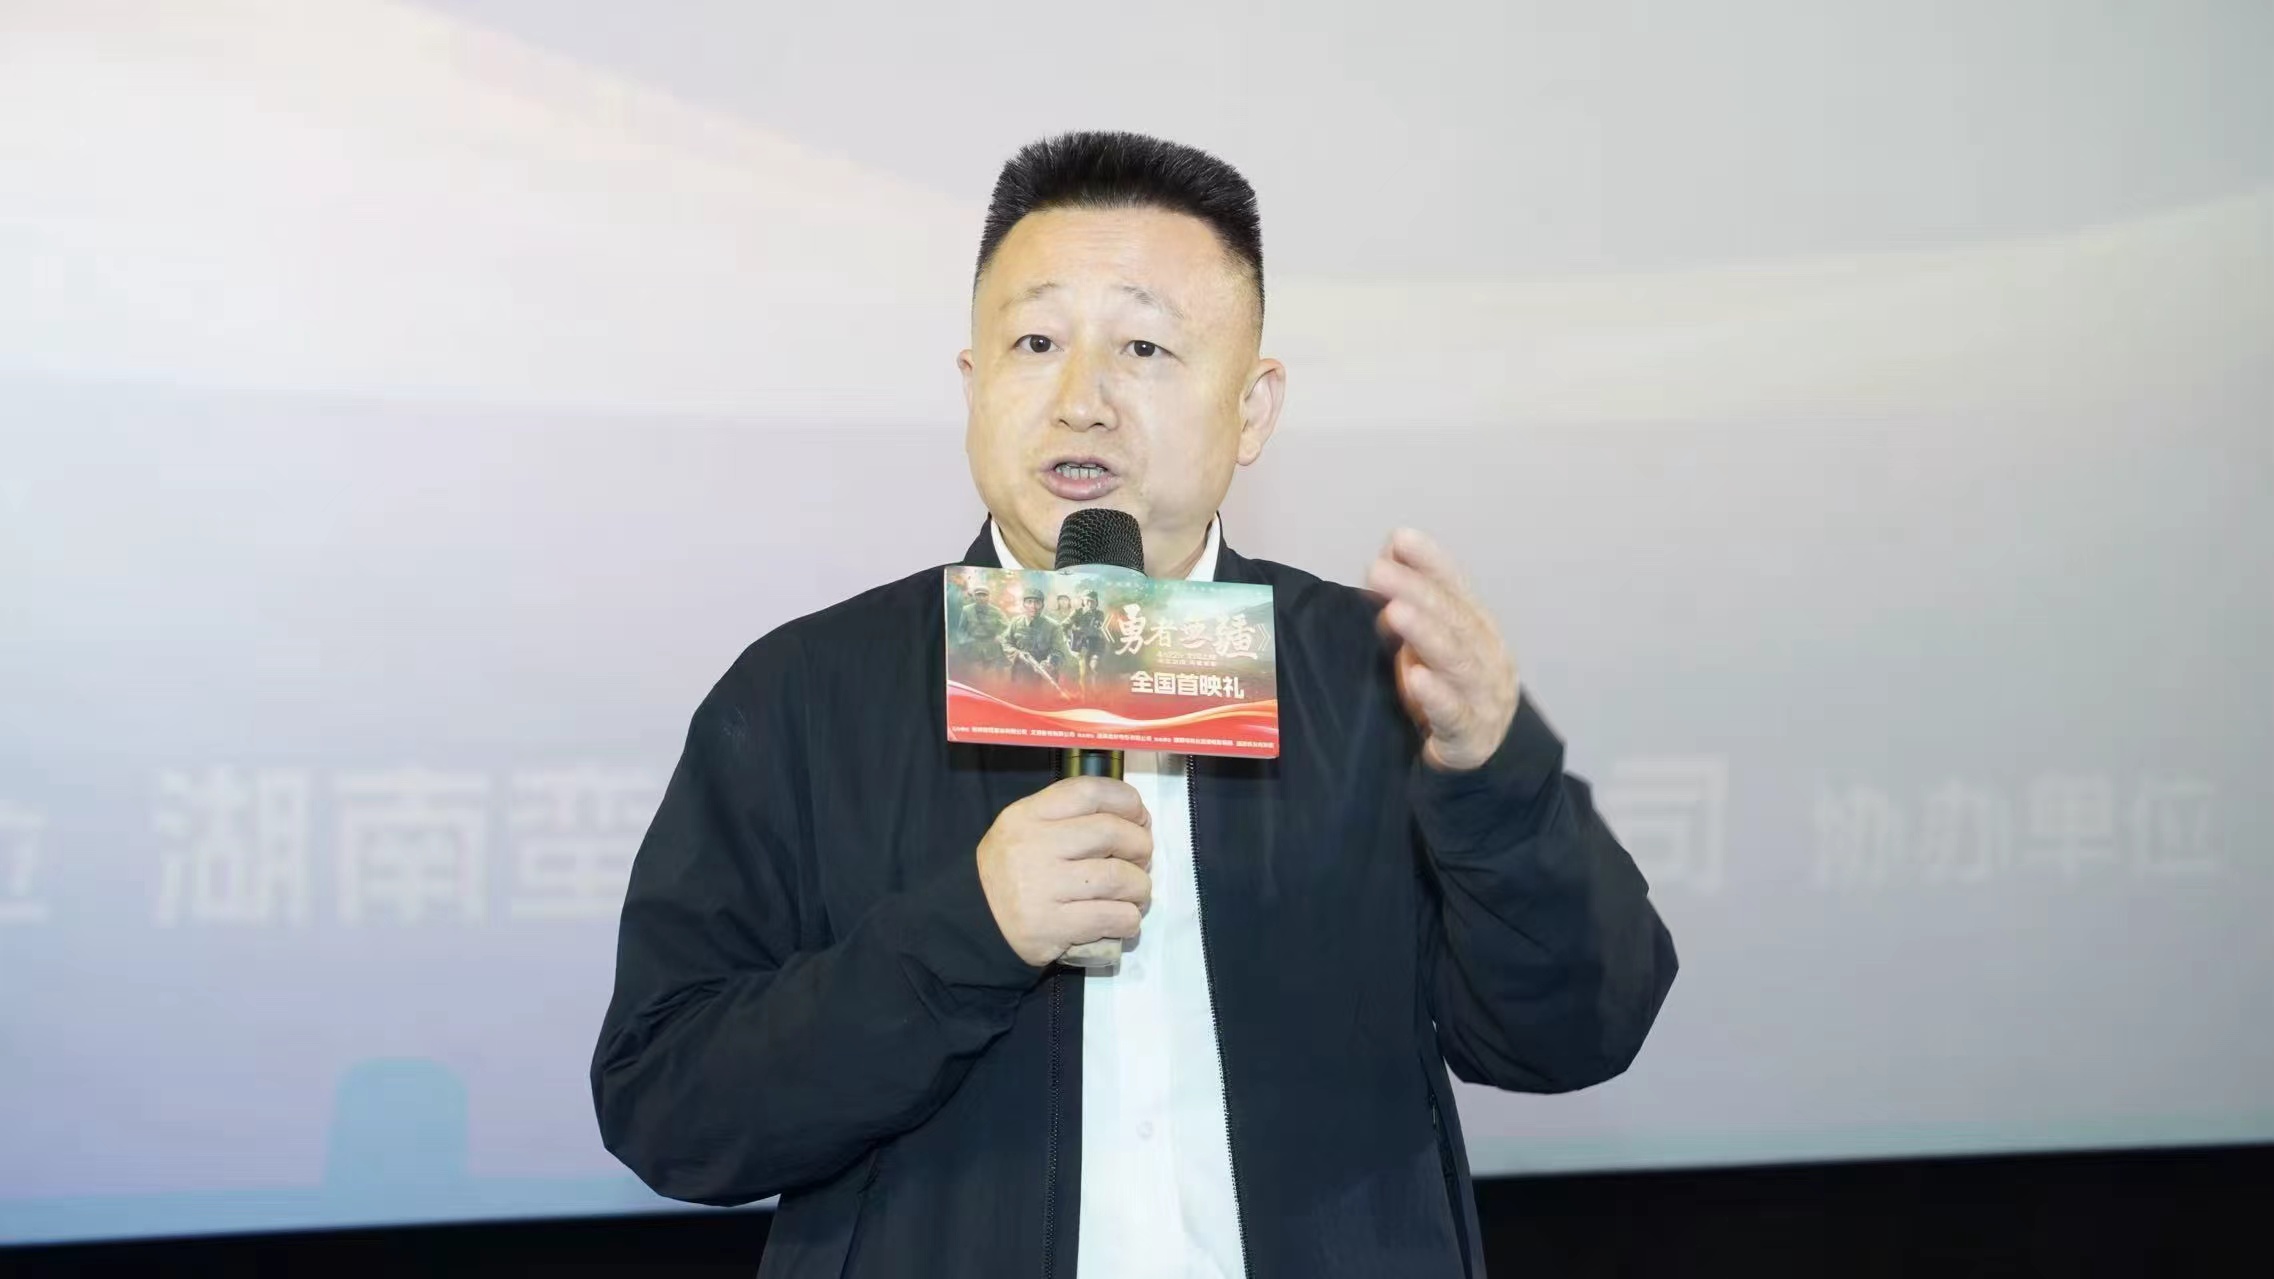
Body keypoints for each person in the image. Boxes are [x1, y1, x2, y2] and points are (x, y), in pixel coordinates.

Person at [593, 131, 1677, 1279]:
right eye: (1036, 342)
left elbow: (1576, 1033)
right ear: (972, 383)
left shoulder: (1377, 680)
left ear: (1252, 409)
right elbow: (670, 1106)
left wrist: (1495, 775)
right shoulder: (806, 693)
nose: (1082, 401)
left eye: (1145, 347)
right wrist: (968, 931)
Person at [1006, 585, 1076, 696]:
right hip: (1021, 674)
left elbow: (1059, 651)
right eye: (1029, 602)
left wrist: (1050, 662)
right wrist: (1017, 654)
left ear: (1042, 605)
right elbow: (1006, 643)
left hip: (1045, 676)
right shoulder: (1015, 623)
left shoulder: (1053, 626)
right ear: (1024, 604)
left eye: (1037, 603)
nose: (1033, 606)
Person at [1066, 589, 1108, 694]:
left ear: (1096, 602)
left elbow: (1101, 628)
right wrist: (1068, 640)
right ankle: (1085, 697)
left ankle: (1096, 695)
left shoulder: (1099, 614)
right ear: (1083, 601)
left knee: (1095, 667)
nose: (1090, 604)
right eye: (1087, 601)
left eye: (1092, 601)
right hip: (1082, 644)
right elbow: (1063, 626)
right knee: (1084, 673)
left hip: (1096, 644)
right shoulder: (1077, 613)